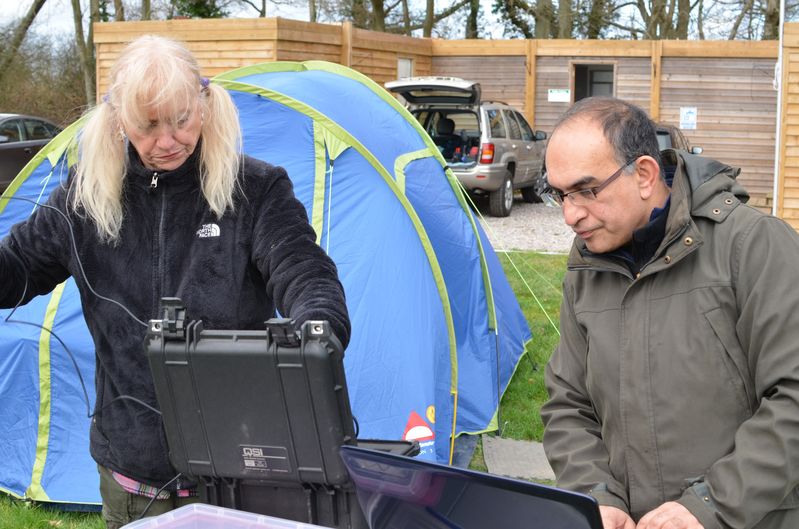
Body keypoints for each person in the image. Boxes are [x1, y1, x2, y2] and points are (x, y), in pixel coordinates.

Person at [0, 35, 350, 528]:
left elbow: (306, 272)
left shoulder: (256, 189)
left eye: (182, 119)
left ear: (204, 104)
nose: (167, 141)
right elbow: (12, 272)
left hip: (238, 472)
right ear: (119, 118)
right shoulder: (84, 199)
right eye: (148, 126)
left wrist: (318, 328)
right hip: (131, 478)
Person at [540, 96, 799, 529]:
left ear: (644, 174)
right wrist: (596, 496)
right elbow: (568, 403)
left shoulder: (753, 246)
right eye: (559, 194)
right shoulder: (586, 269)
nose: (570, 214)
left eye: (586, 190)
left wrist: (710, 505)